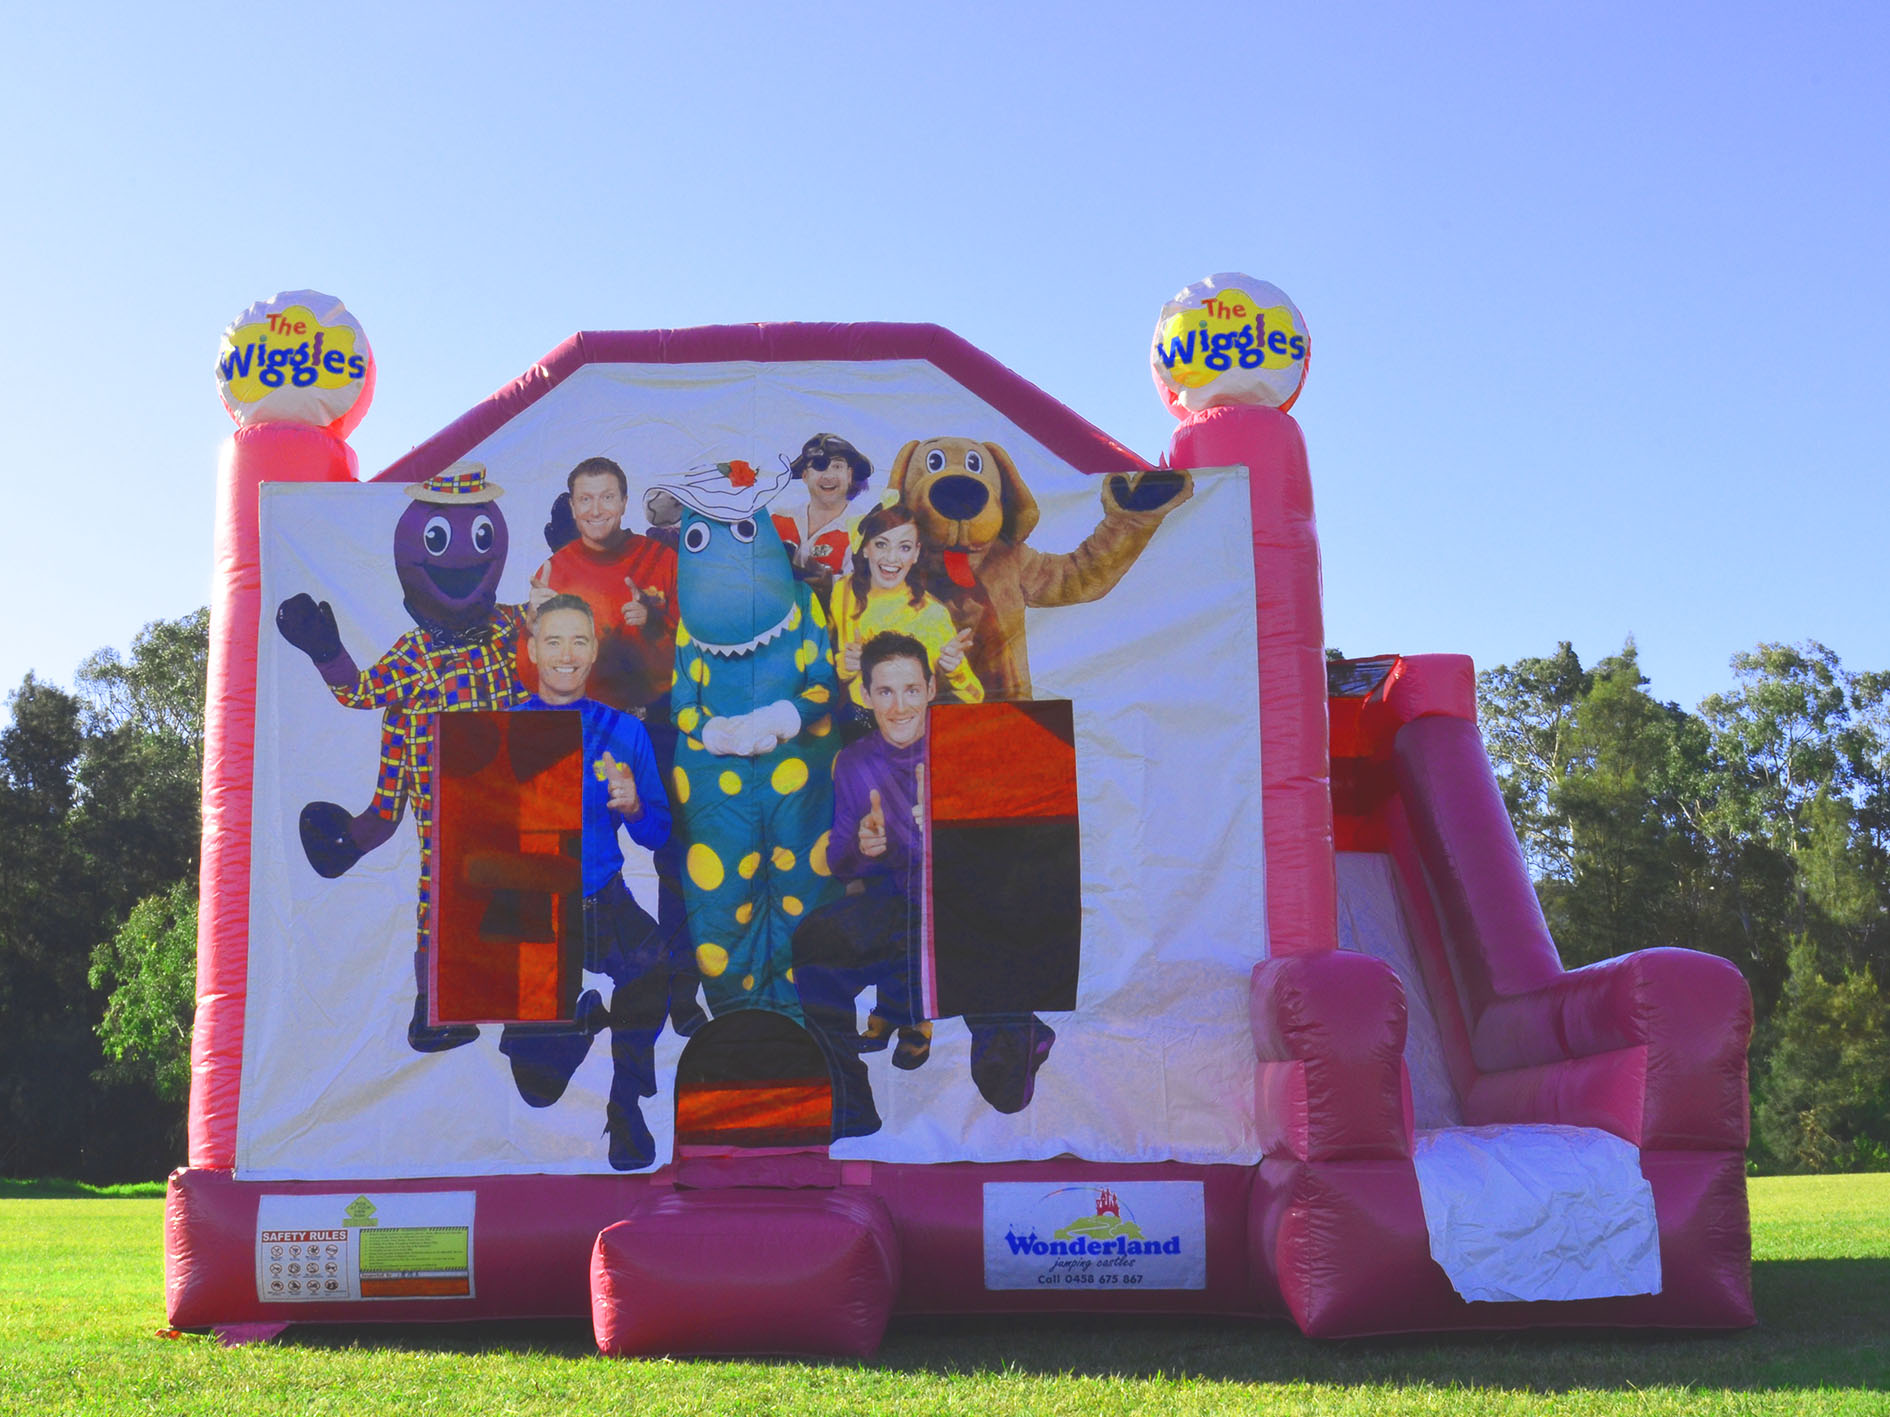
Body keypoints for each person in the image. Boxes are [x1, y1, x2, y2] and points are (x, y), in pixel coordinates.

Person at [497, 594, 675, 1171]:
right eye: (553, 641)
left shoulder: (625, 732)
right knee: (537, 1089)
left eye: (578, 641)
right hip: (535, 909)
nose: (566, 655)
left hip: (602, 897)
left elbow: (657, 834)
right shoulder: (503, 730)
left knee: (651, 963)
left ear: (594, 651)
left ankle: (626, 1104)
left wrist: (632, 807)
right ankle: (582, 1015)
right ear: (533, 651)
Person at [527, 456, 703, 1036]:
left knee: (674, 856)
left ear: (624, 502)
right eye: (585, 499)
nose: (597, 510)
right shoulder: (554, 570)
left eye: (607, 498)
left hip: (657, 721)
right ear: (571, 506)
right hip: (590, 731)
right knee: (560, 851)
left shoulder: (661, 559)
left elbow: (702, 639)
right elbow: (543, 654)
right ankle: (553, 1002)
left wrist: (654, 618)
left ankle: (680, 987)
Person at [790, 632, 938, 1139]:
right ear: (868, 696)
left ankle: (910, 1008)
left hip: (955, 909)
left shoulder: (960, 745)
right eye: (885, 692)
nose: (899, 707)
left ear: (931, 689)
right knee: (814, 939)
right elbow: (839, 860)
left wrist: (939, 832)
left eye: (911, 690)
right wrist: (861, 846)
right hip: (890, 905)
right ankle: (852, 1103)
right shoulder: (855, 761)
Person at [831, 502, 983, 712]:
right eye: (881, 544)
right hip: (855, 719)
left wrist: (955, 672)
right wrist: (845, 666)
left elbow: (976, 697)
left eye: (904, 547)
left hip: (906, 723)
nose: (892, 558)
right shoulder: (844, 590)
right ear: (865, 548)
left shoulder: (932, 615)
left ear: (916, 553)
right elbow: (827, 666)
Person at [772, 433, 873, 597]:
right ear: (805, 475)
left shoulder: (866, 531)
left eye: (837, 466)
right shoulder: (779, 520)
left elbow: (867, 591)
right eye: (819, 466)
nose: (828, 476)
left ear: (849, 475)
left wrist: (831, 585)